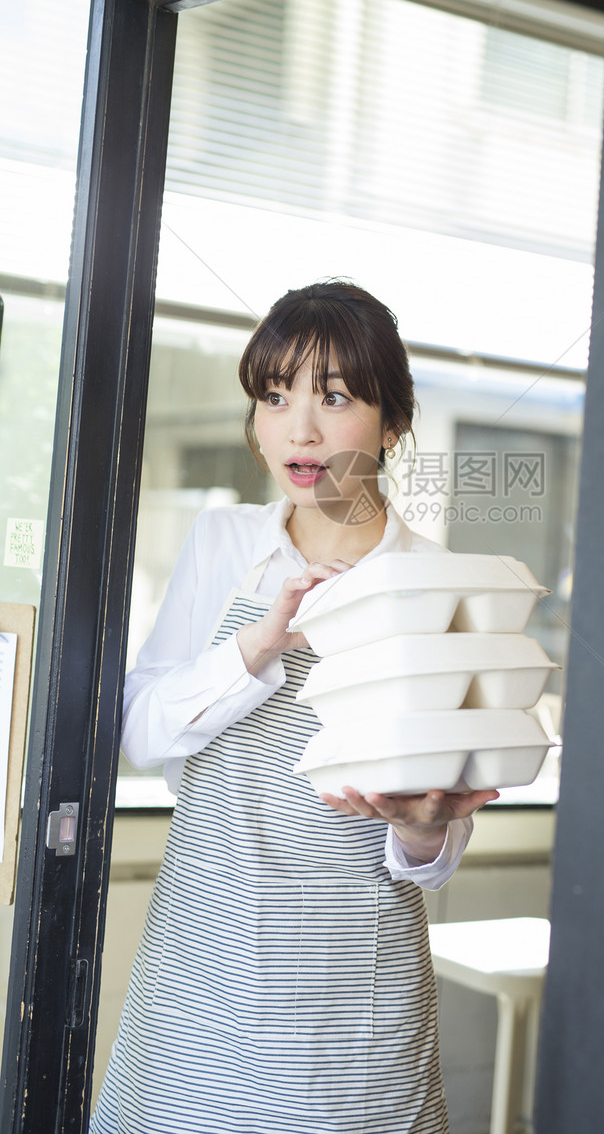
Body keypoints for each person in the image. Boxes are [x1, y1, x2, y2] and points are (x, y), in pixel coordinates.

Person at [90, 281, 499, 1134]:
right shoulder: (225, 544)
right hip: (200, 969)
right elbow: (138, 732)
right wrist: (259, 645)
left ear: (393, 422)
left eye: (335, 397)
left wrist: (425, 828)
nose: (299, 430)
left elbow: (435, 848)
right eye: (275, 397)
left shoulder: (440, 587)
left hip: (349, 1007)